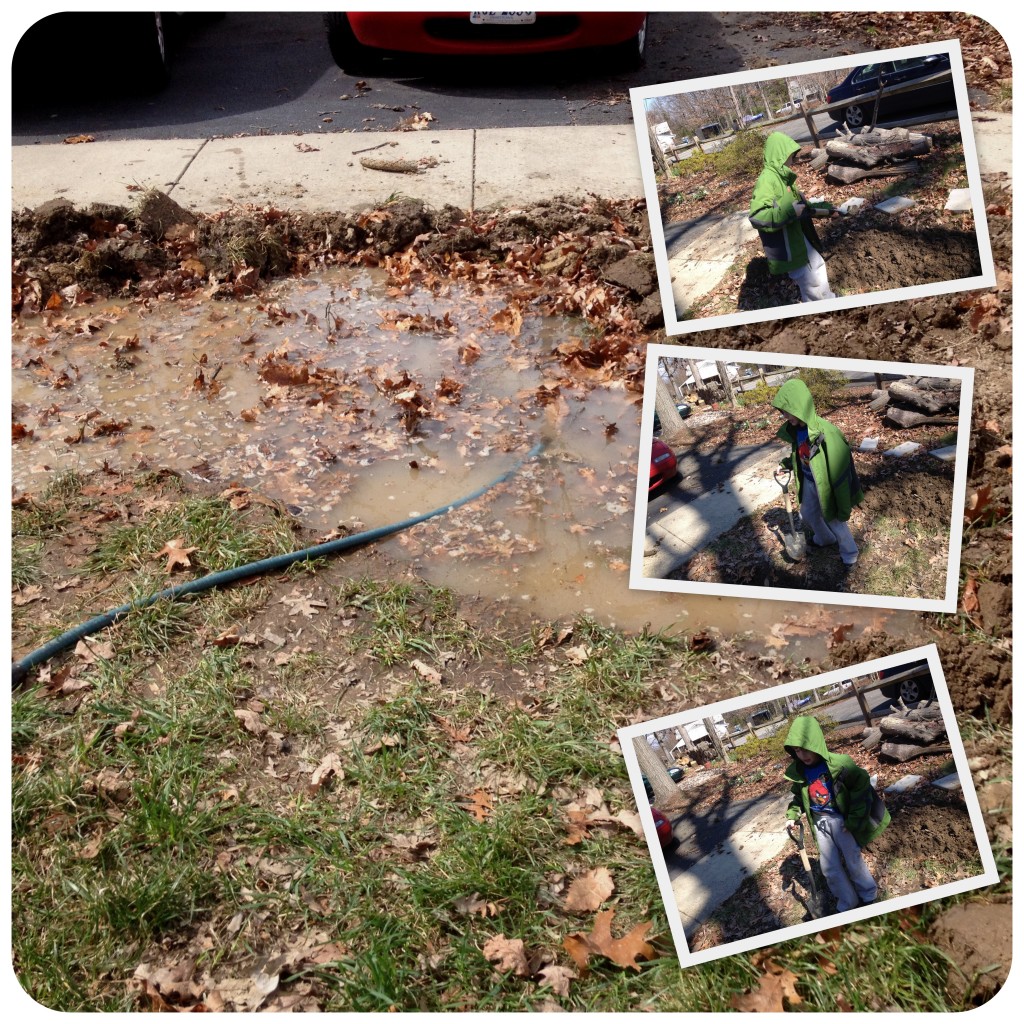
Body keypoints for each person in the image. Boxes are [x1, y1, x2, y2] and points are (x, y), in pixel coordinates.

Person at [783, 715, 890, 913]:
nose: (802, 754)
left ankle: (868, 895)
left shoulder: (839, 764)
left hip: (840, 821)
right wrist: (792, 815)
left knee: (853, 859)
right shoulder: (800, 773)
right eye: (797, 750)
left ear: (816, 744)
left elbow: (861, 786)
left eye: (806, 748)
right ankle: (848, 902)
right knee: (829, 868)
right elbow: (798, 798)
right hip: (819, 823)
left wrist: (854, 819)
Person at [772, 377, 863, 567]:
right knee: (807, 513)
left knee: (835, 520)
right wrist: (785, 464)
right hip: (809, 481)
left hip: (827, 485)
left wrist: (841, 499)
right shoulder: (797, 430)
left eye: (787, 412)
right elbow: (800, 455)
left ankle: (850, 553)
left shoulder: (826, 432)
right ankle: (824, 538)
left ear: (798, 407)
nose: (785, 417)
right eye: (783, 414)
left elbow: (841, 467)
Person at [749, 131, 839, 302]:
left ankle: (827, 299)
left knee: (817, 266)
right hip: (787, 244)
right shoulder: (768, 179)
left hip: (798, 236)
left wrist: (828, 210)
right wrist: (790, 212)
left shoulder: (783, 177)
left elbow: (803, 206)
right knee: (810, 279)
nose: (793, 159)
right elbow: (758, 216)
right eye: (790, 155)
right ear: (780, 154)